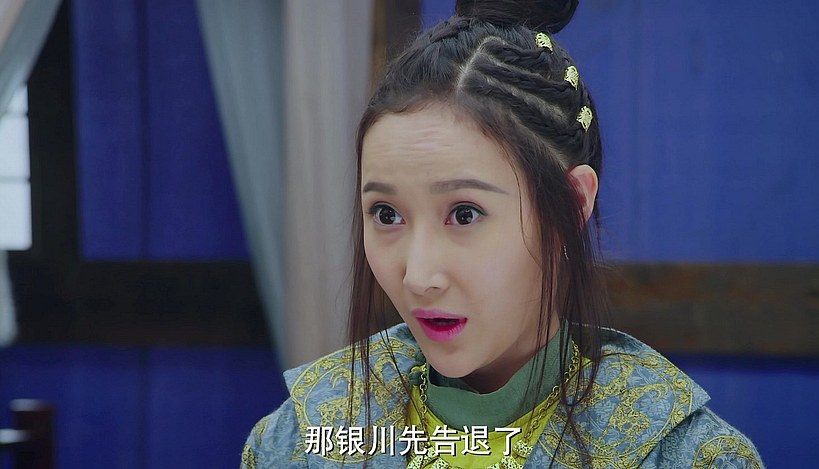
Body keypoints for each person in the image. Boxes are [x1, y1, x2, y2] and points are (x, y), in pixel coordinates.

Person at [241, 1, 763, 467]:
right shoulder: (297, 443)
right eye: (387, 214)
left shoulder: (683, 455)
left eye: (465, 214)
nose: (419, 276)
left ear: (571, 206)